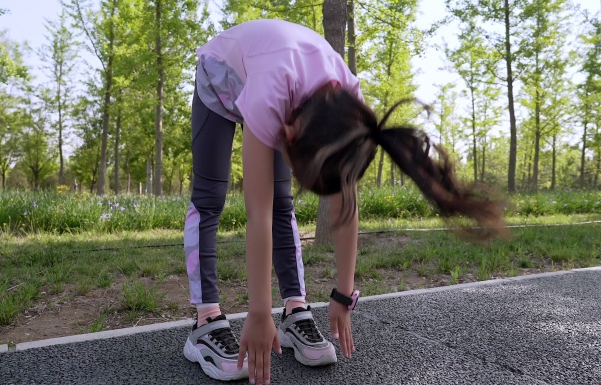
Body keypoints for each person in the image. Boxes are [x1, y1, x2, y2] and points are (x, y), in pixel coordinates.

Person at [182, 19, 505, 384]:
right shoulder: (270, 96)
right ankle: (205, 317)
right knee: (210, 199)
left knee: (283, 204)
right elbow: (256, 212)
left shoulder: (349, 110)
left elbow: (345, 204)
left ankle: (295, 307)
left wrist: (344, 292)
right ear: (286, 133)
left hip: (278, 75)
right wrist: (258, 313)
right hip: (221, 73)